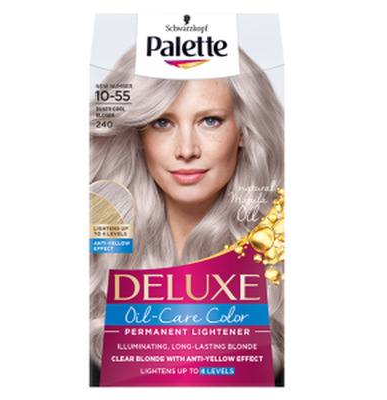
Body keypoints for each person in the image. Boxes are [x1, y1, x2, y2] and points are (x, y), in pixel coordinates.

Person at [90, 46, 284, 385]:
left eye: (210, 121)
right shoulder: (93, 263)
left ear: (243, 131)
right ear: (138, 134)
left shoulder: (284, 258)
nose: (186, 150)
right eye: (162, 122)